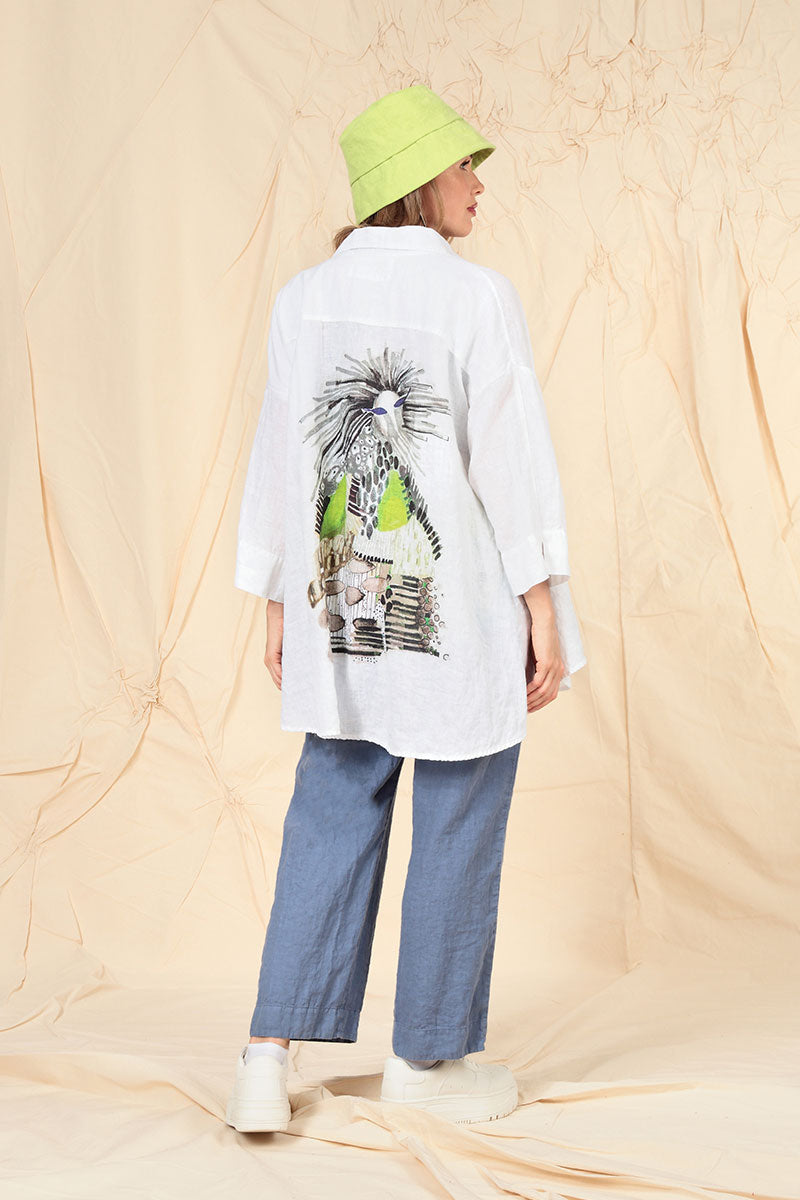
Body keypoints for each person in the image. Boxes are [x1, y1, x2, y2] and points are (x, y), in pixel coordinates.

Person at [225, 83, 587, 1133]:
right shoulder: (476, 298)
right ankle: (427, 1060)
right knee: (461, 805)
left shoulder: (303, 298)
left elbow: (278, 453)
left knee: (333, 800)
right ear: (419, 181)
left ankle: (265, 1056)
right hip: (454, 599)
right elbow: (510, 459)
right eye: (466, 164)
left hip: (339, 595)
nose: (480, 184)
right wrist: (541, 603)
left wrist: (275, 599)